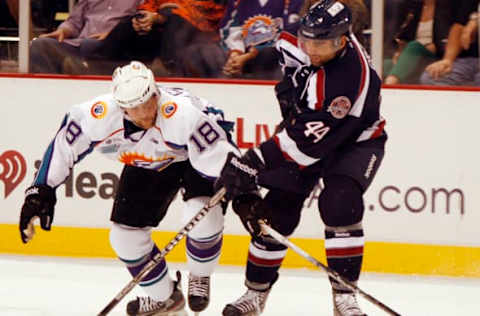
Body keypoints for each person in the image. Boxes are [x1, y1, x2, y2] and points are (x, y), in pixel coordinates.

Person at [19, 61, 238, 315]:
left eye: (148, 103)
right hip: (148, 161)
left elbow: (220, 153)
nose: (145, 114)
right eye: (135, 108)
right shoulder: (97, 116)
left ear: (156, 92)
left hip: (193, 156)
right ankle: (165, 298)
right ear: (122, 107)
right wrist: (40, 192)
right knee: (124, 238)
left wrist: (238, 184)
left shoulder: (183, 114)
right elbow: (63, 147)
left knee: (203, 218)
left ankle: (200, 275)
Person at [216, 1, 386, 315]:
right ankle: (254, 293)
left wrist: (252, 160)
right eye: (308, 41)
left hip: (353, 141)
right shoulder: (302, 36)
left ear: (343, 40)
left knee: (340, 203)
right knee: (276, 211)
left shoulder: (350, 78)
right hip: (306, 130)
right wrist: (253, 57)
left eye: (323, 44)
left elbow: (304, 144)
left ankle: (344, 296)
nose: (313, 50)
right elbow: (281, 49)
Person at [182, 0, 304, 79]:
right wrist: (236, 52)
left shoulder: (293, 2)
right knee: (196, 52)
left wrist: (252, 53)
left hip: (271, 54)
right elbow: (228, 27)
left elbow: (289, 31)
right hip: (240, 49)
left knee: (274, 56)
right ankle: (221, 90)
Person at [29, 0, 140, 74]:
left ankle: (78, 67)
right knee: (40, 44)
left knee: (90, 45)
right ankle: (49, 93)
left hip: (114, 46)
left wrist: (115, 34)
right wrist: (63, 30)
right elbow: (74, 22)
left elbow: (140, 22)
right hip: (80, 43)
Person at [419, 0, 480, 86]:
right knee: (431, 77)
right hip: (469, 60)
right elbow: (459, 25)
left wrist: (476, 20)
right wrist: (448, 60)